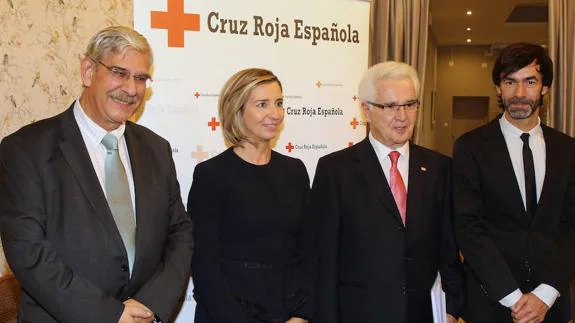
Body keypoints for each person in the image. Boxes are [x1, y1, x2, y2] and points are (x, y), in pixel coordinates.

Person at [0, 26, 193, 323]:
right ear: (88, 71)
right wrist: (110, 314)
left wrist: (150, 304)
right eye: (119, 72)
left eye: (141, 78)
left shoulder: (156, 149)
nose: (131, 89)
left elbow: (179, 232)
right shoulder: (25, 149)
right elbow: (29, 252)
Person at [313, 61, 464, 323]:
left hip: (423, 314)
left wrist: (451, 307)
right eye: (391, 106)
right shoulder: (335, 170)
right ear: (367, 110)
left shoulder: (439, 167)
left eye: (409, 104)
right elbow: (324, 259)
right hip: (359, 314)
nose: (402, 116)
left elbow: (448, 247)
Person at [453, 42, 575, 323]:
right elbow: (468, 227)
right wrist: (514, 298)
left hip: (551, 306)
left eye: (530, 81)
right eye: (510, 82)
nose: (519, 94)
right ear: (498, 87)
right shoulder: (470, 147)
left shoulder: (568, 150)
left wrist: (545, 294)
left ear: (545, 87)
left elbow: (571, 227)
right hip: (491, 305)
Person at [188, 68, 316, 323]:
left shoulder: (295, 170)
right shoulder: (211, 175)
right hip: (229, 313)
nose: (275, 113)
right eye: (262, 104)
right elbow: (203, 265)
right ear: (237, 110)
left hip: (287, 311)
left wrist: (301, 314)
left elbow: (309, 251)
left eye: (279, 103)